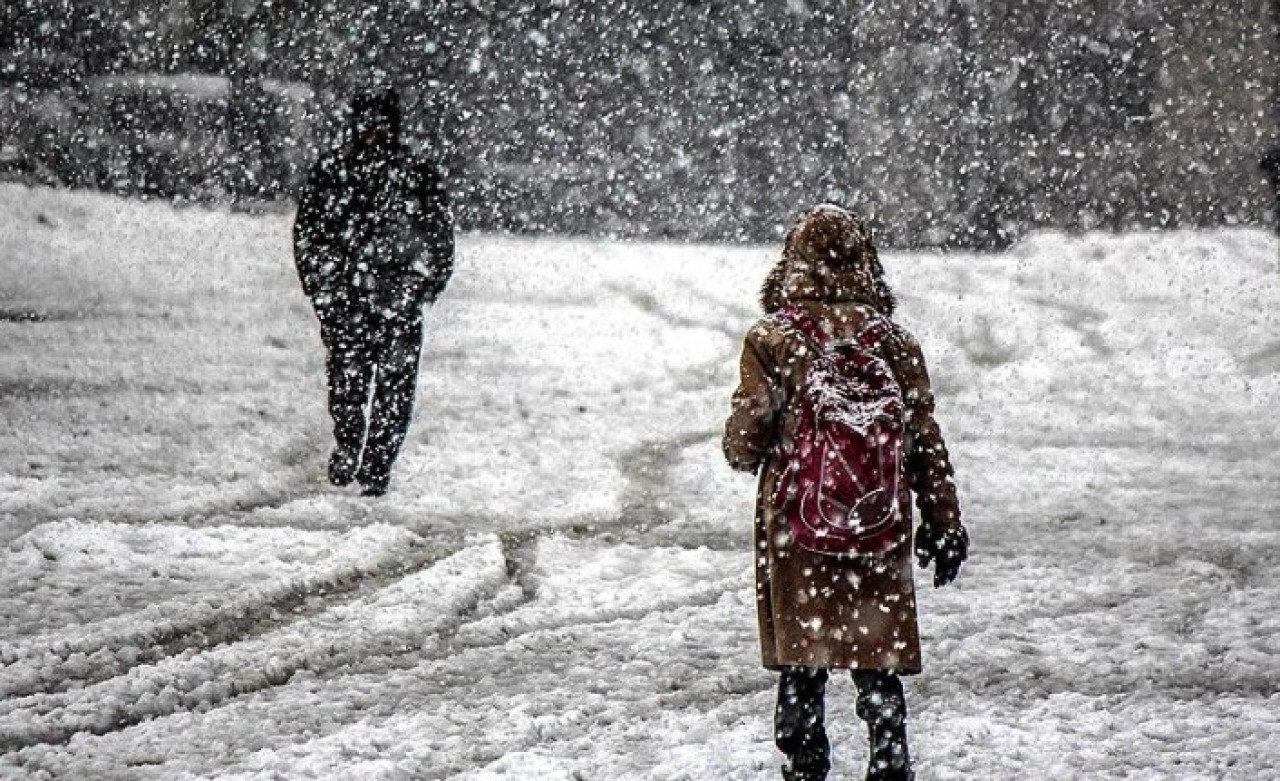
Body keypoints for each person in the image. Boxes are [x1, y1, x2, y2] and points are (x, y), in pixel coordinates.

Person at [723, 205, 968, 781]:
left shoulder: (772, 339)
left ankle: (805, 761)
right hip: (877, 524)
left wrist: (757, 440)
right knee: (872, 647)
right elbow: (923, 440)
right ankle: (889, 753)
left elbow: (745, 441)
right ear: (867, 263)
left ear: (791, 263)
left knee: (803, 654)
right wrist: (943, 519)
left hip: (797, 521)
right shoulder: (894, 342)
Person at [293, 87, 454, 497]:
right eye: (367, 124)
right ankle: (349, 445)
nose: (373, 133)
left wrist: (421, 286)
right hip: (347, 299)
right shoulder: (333, 173)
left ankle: (377, 463)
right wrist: (322, 287)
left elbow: (438, 238)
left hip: (396, 301)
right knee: (347, 382)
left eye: (381, 124)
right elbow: (308, 235)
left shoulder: (415, 175)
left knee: (394, 390)